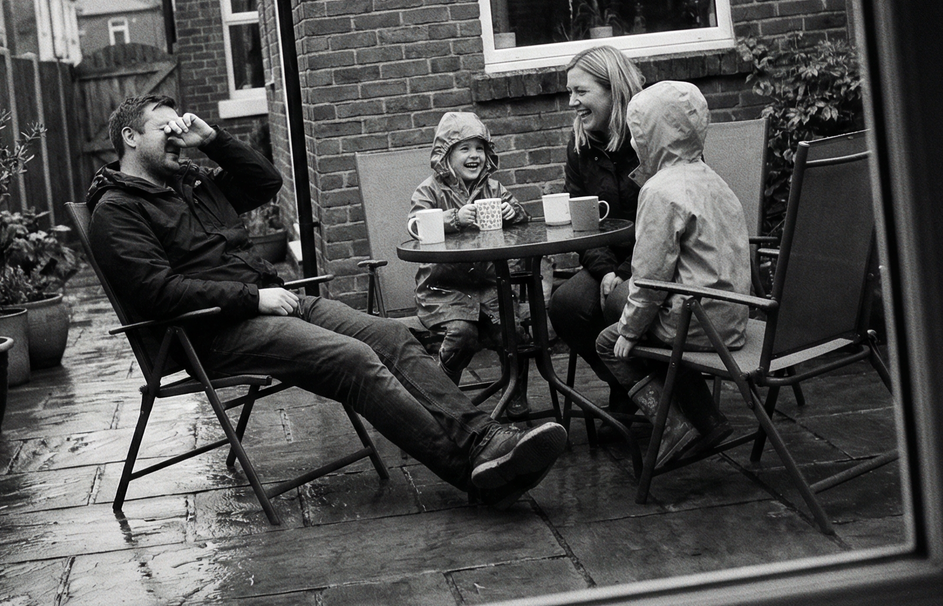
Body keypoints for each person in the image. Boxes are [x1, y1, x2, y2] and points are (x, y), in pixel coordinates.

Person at [85, 94, 568, 509]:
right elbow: (159, 293)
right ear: (130, 137)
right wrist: (253, 299)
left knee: (389, 335)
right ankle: (474, 475)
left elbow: (264, 182)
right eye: (164, 128)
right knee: (354, 359)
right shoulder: (118, 210)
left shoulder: (190, 182)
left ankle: (485, 438)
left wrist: (212, 139)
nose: (176, 135)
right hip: (209, 332)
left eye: (180, 126)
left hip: (271, 302)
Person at [594, 80, 746, 466]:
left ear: (653, 137)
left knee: (610, 341)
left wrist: (629, 331)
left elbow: (650, 277)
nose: (633, 143)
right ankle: (708, 421)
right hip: (732, 315)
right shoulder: (714, 180)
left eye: (637, 133)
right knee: (655, 328)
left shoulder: (661, 191)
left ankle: (674, 427)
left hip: (696, 322)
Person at [547, 45, 646, 411]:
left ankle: (664, 394)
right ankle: (630, 385)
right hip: (609, 260)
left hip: (662, 258)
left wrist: (625, 272)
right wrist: (605, 270)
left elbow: (670, 222)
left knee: (621, 301)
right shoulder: (580, 146)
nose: (571, 102)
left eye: (581, 91)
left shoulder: (653, 135)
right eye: (569, 91)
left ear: (612, 89)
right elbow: (582, 223)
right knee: (567, 305)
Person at [408, 112, 529, 411]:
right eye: (464, 148)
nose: (474, 155)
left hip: (490, 286)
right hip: (444, 289)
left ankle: (515, 392)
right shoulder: (429, 190)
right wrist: (453, 218)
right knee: (462, 334)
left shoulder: (494, 189)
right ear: (445, 155)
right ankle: (442, 400)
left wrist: (513, 212)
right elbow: (415, 225)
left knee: (513, 331)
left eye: (480, 148)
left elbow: (523, 218)